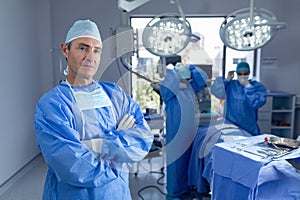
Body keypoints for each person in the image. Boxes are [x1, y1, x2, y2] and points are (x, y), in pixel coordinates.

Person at [34, 19, 154, 200]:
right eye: (83, 48)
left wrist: (97, 145)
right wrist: (119, 154)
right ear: (65, 50)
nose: (90, 56)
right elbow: (74, 167)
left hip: (118, 193)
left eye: (96, 50)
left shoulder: (115, 95)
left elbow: (143, 138)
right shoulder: (52, 105)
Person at [160, 62, 208, 199]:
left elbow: (202, 78)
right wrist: (173, 73)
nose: (186, 82)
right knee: (176, 164)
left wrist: (191, 67)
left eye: (188, 79)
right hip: (176, 134)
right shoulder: (170, 91)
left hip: (190, 132)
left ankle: (190, 187)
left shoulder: (190, 88)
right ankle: (175, 192)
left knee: (190, 162)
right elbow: (167, 87)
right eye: (183, 79)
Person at [210, 61, 267, 135]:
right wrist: (226, 81)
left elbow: (256, 103)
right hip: (231, 126)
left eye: (245, 73)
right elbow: (217, 93)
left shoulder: (256, 87)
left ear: (249, 73)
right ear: (236, 74)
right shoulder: (231, 85)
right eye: (240, 74)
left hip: (249, 127)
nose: (242, 76)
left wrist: (248, 86)